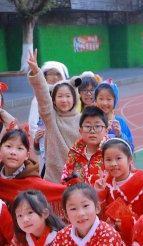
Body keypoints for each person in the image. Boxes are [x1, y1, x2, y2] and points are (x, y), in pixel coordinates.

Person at [26, 49, 81, 184]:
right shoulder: (50, 118)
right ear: (54, 100)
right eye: (60, 96)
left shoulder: (82, 120)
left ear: (74, 98)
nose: (64, 100)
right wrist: (36, 72)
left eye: (68, 96)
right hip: (55, 178)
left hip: (79, 177)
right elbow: (43, 96)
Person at [95, 138, 143, 245]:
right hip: (112, 242)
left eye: (118, 158)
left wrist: (127, 223)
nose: (113, 164)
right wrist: (99, 193)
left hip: (138, 244)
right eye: (108, 160)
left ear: (130, 160)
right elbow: (99, 217)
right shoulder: (105, 183)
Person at [0, 129, 66, 218]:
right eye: (8, 146)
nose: (13, 152)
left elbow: (62, 191)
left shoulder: (33, 184)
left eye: (19, 148)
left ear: (27, 155)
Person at [28, 59, 69, 172]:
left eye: (58, 74)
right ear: (45, 76)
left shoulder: (70, 96)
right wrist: (39, 139)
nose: (54, 77)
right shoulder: (38, 98)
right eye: (51, 74)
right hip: (47, 145)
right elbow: (33, 123)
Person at [61, 105, 108, 185]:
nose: (92, 131)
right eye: (87, 126)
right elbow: (65, 180)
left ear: (106, 131)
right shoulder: (74, 153)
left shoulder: (112, 152)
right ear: (80, 131)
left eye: (97, 126)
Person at [94, 79, 134, 151]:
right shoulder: (91, 121)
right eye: (101, 99)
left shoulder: (120, 122)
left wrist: (120, 135)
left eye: (109, 99)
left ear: (114, 101)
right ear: (96, 100)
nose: (104, 103)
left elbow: (130, 147)